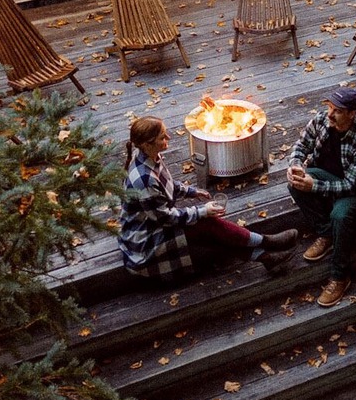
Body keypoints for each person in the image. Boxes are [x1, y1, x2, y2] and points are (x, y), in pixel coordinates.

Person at [119, 116, 297, 281]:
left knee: (208, 229)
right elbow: (166, 218)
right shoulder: (144, 179)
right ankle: (266, 242)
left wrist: (191, 191)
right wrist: (202, 211)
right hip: (145, 240)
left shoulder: (148, 157)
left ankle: (266, 257)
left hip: (156, 223)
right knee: (206, 224)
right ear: (147, 144)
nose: (169, 137)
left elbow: (168, 184)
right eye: (162, 137)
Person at [286, 87, 356, 307]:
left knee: (340, 216)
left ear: (352, 114)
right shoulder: (320, 121)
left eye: (337, 111)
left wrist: (314, 185)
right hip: (325, 179)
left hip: (352, 192)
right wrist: (295, 165)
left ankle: (339, 276)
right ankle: (326, 234)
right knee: (296, 183)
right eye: (330, 108)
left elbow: (350, 185)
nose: (330, 114)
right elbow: (301, 145)